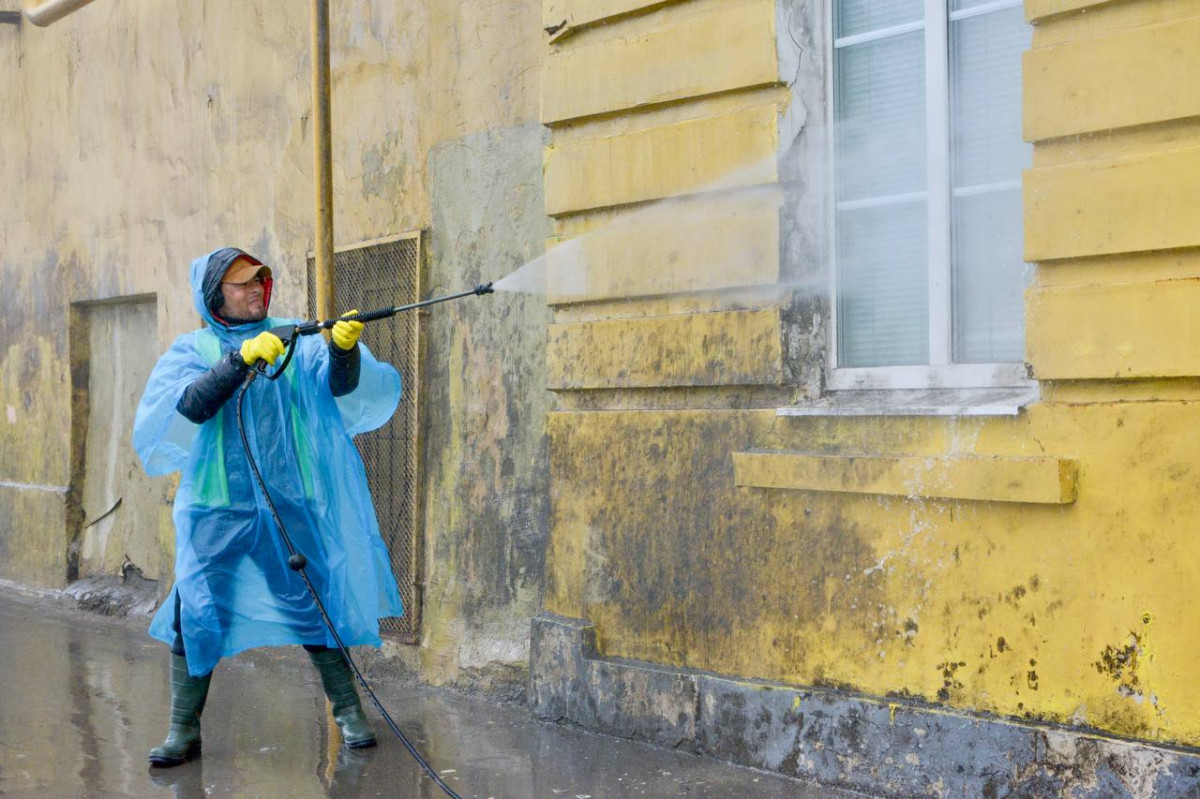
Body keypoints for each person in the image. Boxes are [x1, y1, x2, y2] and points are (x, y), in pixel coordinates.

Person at [133, 247, 405, 767]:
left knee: (313, 600)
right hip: (216, 504)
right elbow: (189, 405)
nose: (256, 290)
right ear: (216, 297)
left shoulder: (294, 337)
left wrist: (343, 351)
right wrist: (238, 360)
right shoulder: (193, 348)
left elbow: (337, 387)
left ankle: (349, 713)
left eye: (260, 281)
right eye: (242, 285)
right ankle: (181, 730)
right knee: (197, 608)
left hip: (288, 497)